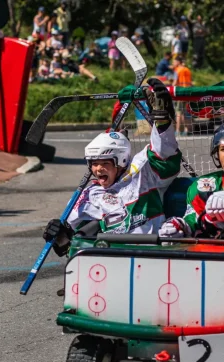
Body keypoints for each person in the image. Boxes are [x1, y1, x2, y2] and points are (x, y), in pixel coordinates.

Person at [43, 79, 182, 254]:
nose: (98, 169)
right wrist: (58, 234)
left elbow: (164, 152)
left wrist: (161, 120)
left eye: (104, 163)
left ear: (121, 161)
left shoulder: (142, 173)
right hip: (113, 260)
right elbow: (65, 245)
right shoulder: (89, 194)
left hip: (152, 254)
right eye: (94, 164)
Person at [160, 125, 224, 239]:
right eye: (223, 149)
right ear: (217, 155)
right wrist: (180, 227)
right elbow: (193, 222)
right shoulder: (205, 187)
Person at [173, 56, 192, 135]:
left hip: (180, 93)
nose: (173, 63)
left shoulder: (177, 70)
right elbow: (190, 82)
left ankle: (177, 130)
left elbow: (174, 83)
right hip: (188, 93)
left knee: (178, 112)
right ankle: (186, 130)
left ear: (178, 62)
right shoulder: (187, 70)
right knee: (186, 112)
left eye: (174, 61)